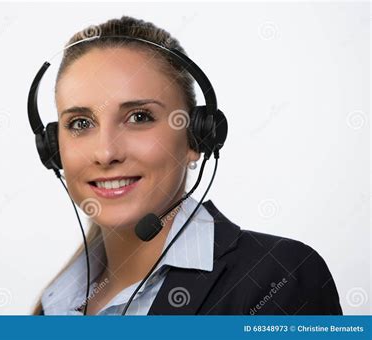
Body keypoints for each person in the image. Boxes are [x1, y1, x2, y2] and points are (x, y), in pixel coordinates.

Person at [32, 16, 342, 315]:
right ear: (53, 149)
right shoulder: (55, 306)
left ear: (196, 137)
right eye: (81, 123)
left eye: (139, 117)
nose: (106, 152)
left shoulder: (279, 277)